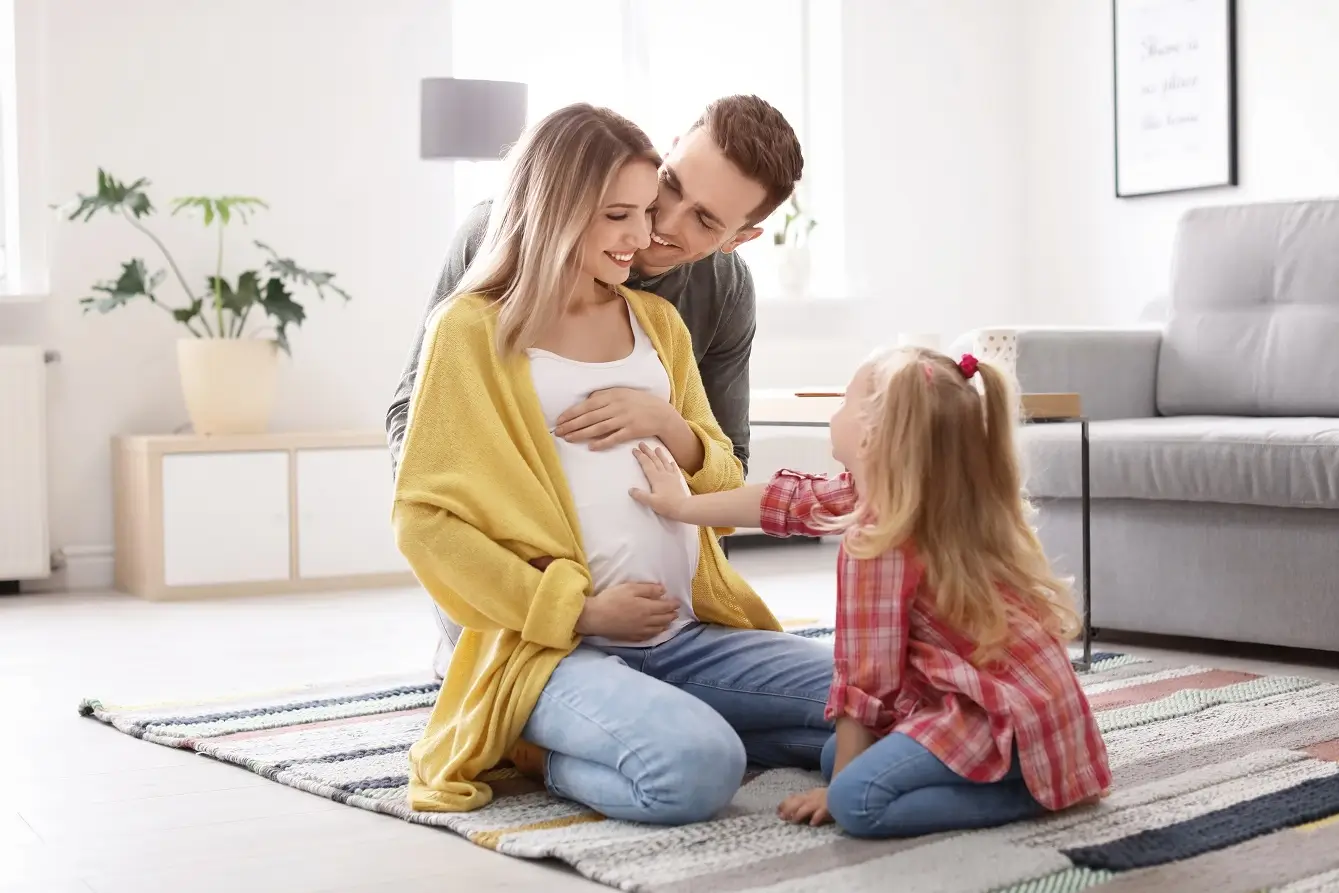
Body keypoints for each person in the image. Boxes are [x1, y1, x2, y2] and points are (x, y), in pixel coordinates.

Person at [392, 103, 834, 824]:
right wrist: (529, 612)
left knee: (882, 695)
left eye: (702, 221)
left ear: (738, 239)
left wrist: (670, 426)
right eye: (633, 207)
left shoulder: (667, 319)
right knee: (698, 767)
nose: (651, 229)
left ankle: (658, 717)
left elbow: (724, 467)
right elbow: (424, 504)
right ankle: (531, 738)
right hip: (551, 636)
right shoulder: (474, 319)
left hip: (683, 630)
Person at [629, 348, 1113, 838]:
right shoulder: (912, 494)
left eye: (843, 401)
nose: (834, 413)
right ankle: (1026, 771)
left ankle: (1032, 789)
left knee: (856, 800)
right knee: (830, 750)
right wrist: (681, 507)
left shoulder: (877, 541)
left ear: (872, 434)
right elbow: (783, 501)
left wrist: (837, 789)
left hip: (999, 721)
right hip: (1021, 705)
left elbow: (865, 680)